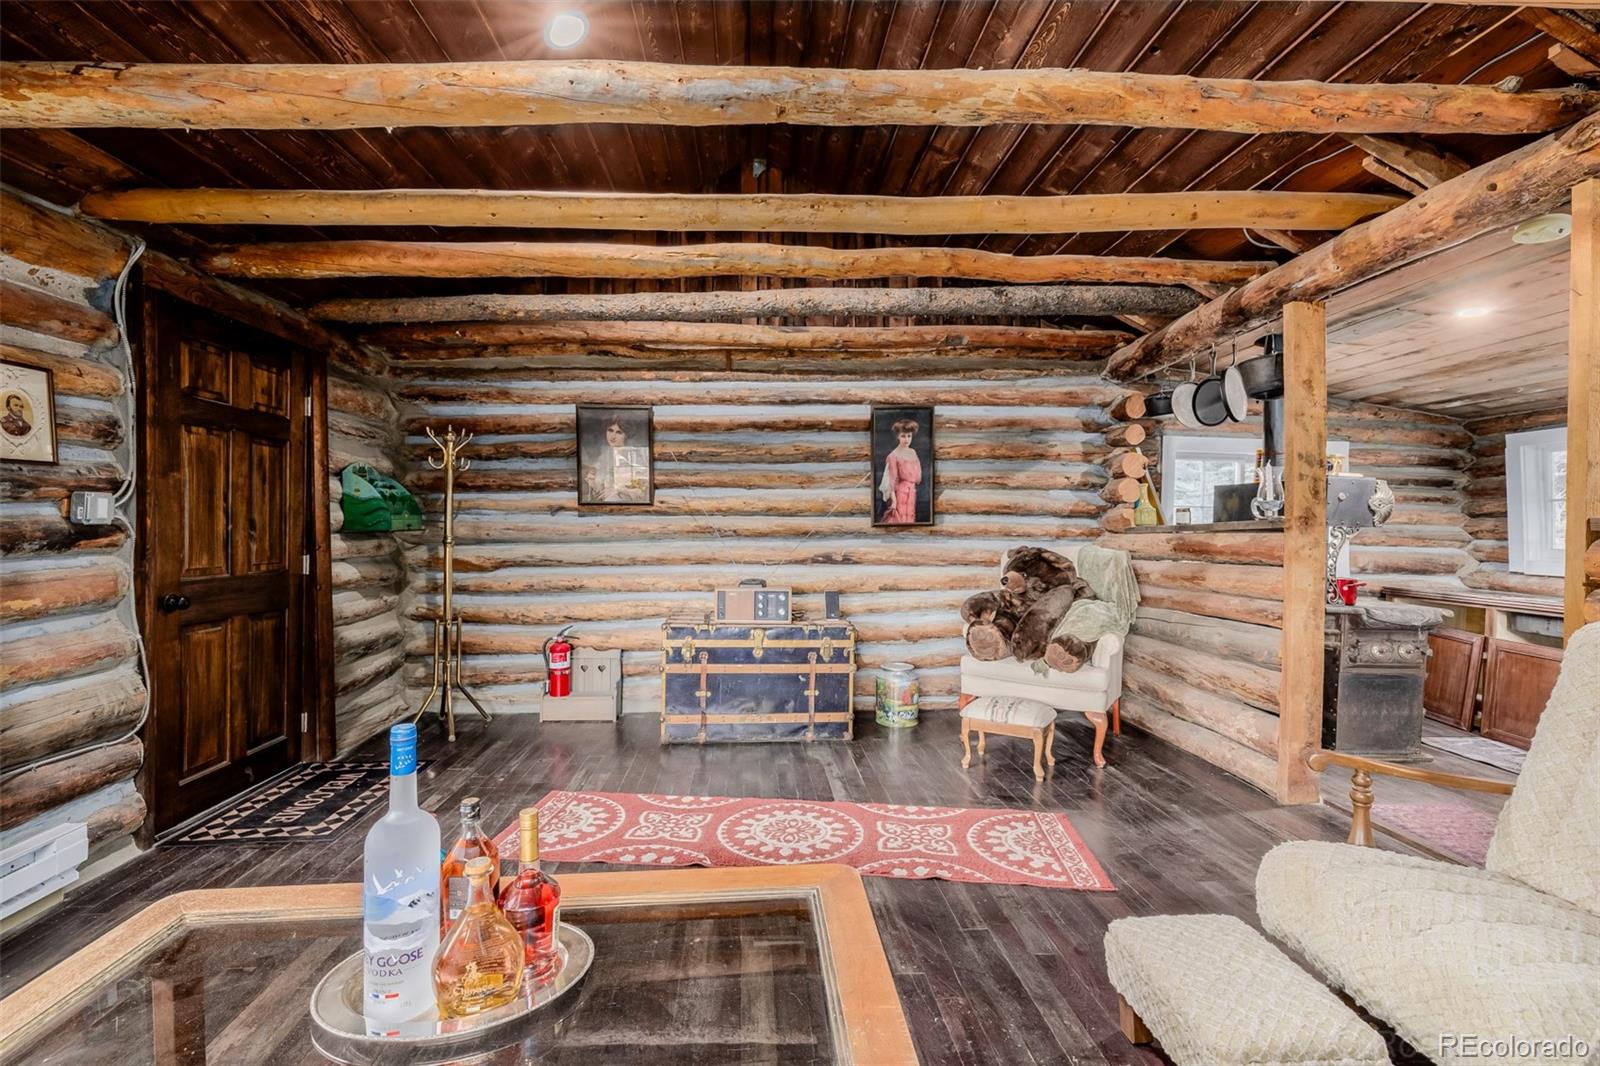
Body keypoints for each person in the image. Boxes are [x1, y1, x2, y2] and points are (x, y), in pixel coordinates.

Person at [582, 416, 648, 503]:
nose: (613, 436)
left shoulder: (632, 455)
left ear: (626, 436)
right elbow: (602, 492)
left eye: (619, 432)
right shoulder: (605, 456)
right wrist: (593, 483)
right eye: (610, 430)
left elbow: (642, 491)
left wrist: (618, 490)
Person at [877, 418, 923, 524]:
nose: (906, 439)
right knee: (898, 519)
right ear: (898, 436)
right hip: (899, 493)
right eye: (903, 436)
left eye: (909, 436)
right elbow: (892, 481)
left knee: (910, 519)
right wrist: (894, 501)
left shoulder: (913, 452)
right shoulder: (893, 456)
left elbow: (917, 477)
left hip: (912, 492)